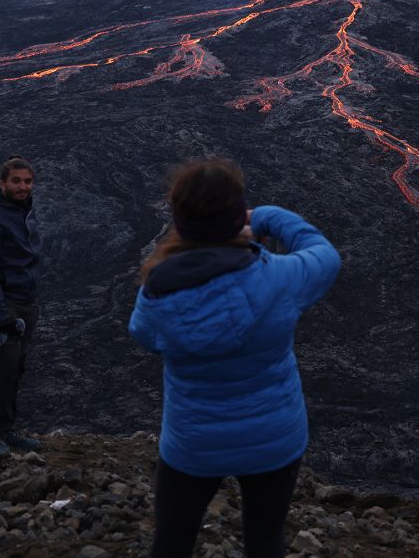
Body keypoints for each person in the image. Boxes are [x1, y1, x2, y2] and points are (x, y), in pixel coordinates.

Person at [129, 158, 340, 558]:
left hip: (193, 443)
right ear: (235, 216)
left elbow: (145, 335)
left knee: (172, 542)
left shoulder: (157, 292)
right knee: (265, 540)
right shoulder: (279, 278)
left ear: (180, 220)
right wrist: (265, 216)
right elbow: (325, 255)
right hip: (273, 439)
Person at [0, 155, 43, 460]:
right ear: (3, 184)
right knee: (6, 364)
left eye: (27, 181)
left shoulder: (23, 212)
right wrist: (0, 314)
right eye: (16, 181)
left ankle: (7, 427)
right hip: (2, 301)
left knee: (17, 367)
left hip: (26, 301)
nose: (23, 186)